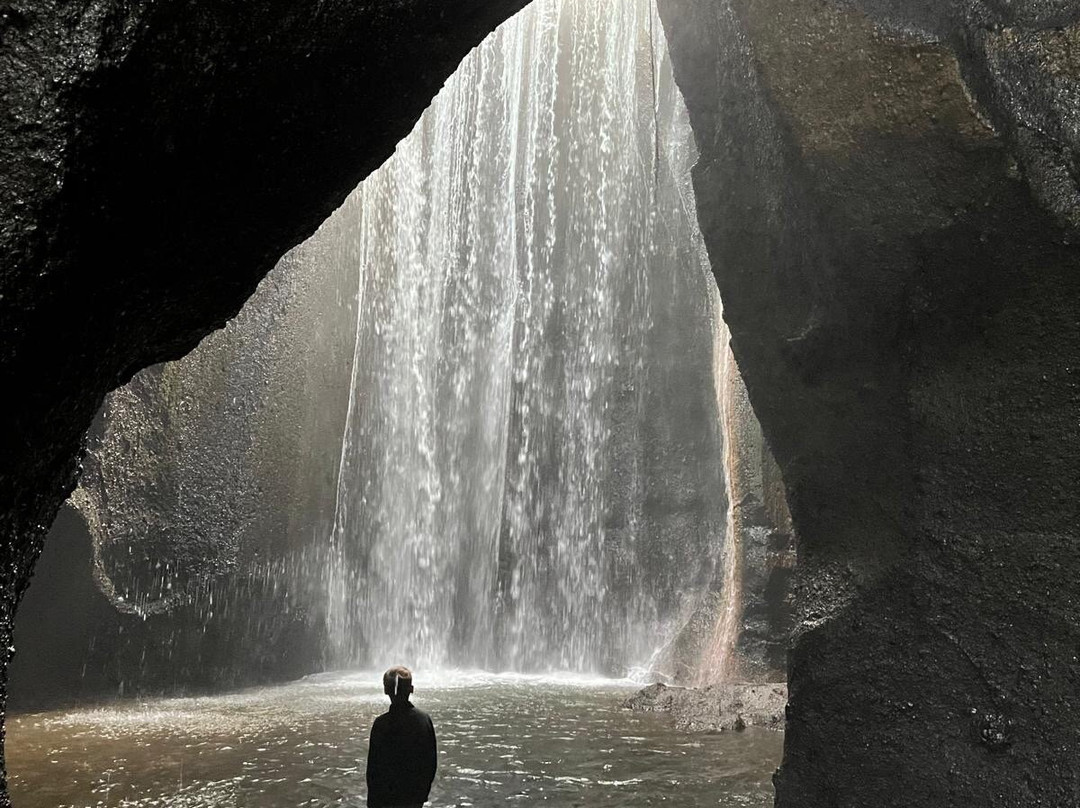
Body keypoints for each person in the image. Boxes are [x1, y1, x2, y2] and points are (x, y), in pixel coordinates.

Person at [366, 665, 438, 808]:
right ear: (411, 689)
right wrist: (423, 793)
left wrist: (373, 801)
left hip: (386, 797)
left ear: (386, 690)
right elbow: (431, 762)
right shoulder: (424, 720)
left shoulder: (381, 724)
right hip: (414, 795)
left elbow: (373, 767)